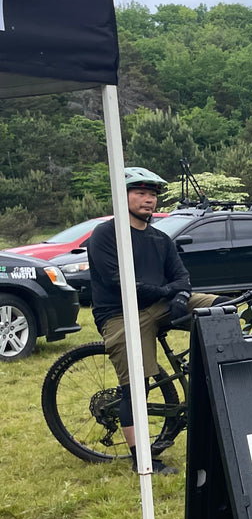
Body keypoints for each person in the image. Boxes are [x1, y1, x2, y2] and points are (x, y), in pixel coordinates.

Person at [88, 166, 220, 475]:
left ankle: (212, 370)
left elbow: (183, 277)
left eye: (152, 195)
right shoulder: (106, 235)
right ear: (123, 198)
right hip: (121, 312)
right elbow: (117, 281)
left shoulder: (161, 239)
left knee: (222, 309)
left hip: (160, 305)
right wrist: (168, 291)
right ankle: (141, 461)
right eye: (141, 194)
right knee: (135, 387)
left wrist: (179, 296)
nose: (149, 200)